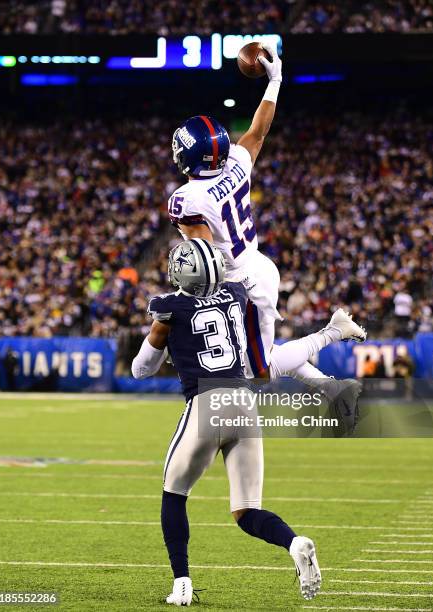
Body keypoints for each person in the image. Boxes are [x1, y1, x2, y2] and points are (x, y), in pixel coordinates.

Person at [132, 239, 367, 607]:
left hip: (206, 401)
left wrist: (165, 339)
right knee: (246, 511)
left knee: (174, 493)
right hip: (244, 402)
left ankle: (181, 584)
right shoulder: (234, 294)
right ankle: (294, 542)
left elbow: (141, 369)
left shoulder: (168, 307)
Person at [167, 42, 366, 417]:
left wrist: (186, 297)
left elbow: (205, 258)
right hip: (258, 267)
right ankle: (334, 390)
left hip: (240, 285)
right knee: (262, 361)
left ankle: (333, 332)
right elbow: (257, 132)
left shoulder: (188, 198)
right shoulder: (237, 164)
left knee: (259, 372)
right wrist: (273, 81)